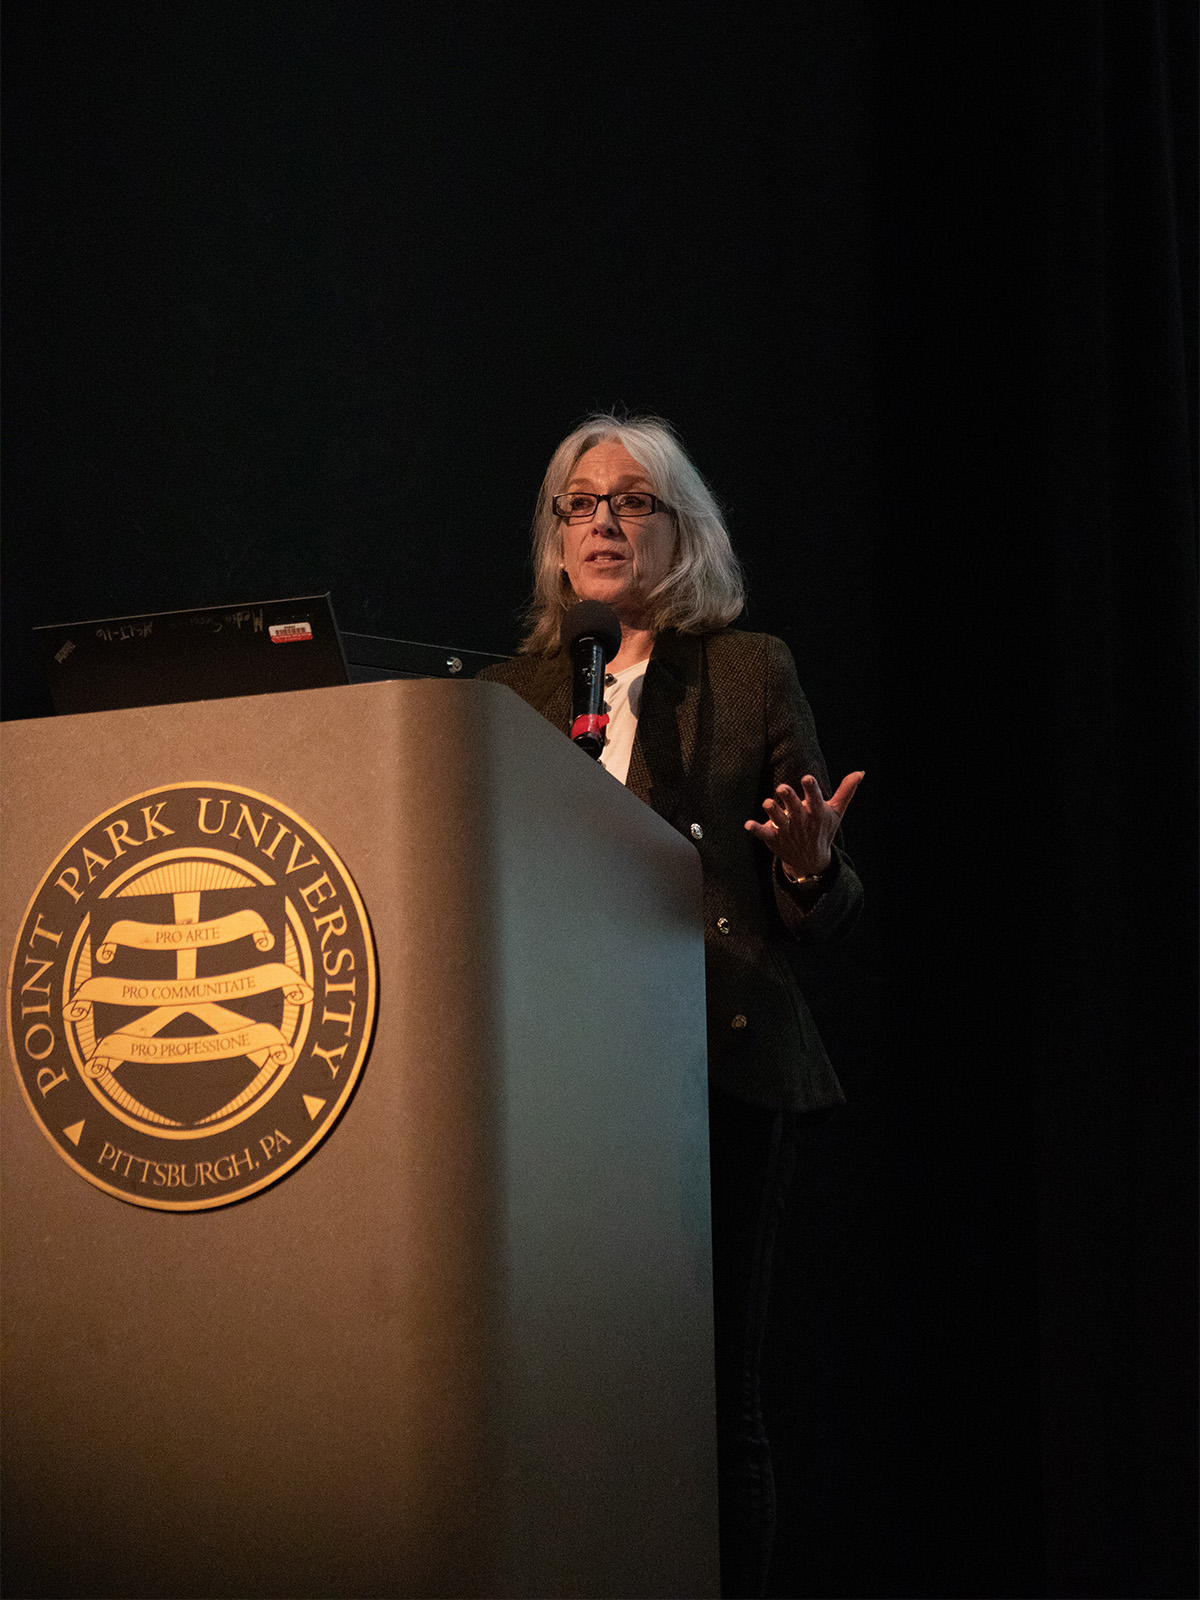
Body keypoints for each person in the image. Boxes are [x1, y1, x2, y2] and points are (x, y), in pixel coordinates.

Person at [478, 413, 864, 1598]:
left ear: (679, 532)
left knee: (710, 1393)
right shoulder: (505, 694)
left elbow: (823, 891)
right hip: (554, 1079)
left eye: (631, 501)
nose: (600, 520)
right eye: (577, 502)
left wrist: (803, 866)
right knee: (565, 1387)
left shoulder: (748, 670)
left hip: (717, 1058)